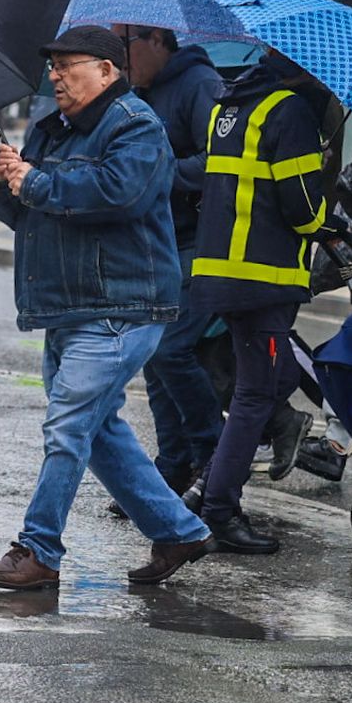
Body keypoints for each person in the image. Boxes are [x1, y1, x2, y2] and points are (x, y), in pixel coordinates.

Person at [0, 25, 212, 591]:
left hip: (119, 307)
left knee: (67, 427)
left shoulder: (136, 125)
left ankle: (39, 549)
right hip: (66, 306)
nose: (55, 76)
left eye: (67, 65)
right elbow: (26, 213)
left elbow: (117, 193)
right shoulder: (50, 129)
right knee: (97, 430)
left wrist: (35, 182)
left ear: (106, 70)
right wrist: (7, 181)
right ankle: (178, 531)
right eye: (52, 67)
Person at [190, 50, 329, 554]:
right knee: (255, 395)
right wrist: (325, 208)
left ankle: (203, 489)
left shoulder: (230, 107)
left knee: (272, 379)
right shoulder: (290, 111)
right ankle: (219, 508)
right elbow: (304, 210)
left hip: (222, 271)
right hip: (263, 277)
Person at [109, 25, 233, 498]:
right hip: (159, 243)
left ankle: (212, 458)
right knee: (155, 360)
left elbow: (221, 158)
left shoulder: (199, 84)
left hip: (199, 241)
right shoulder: (140, 91)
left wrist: (163, 173)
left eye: (126, 44)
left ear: (158, 39)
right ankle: (173, 465)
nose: (121, 56)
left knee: (170, 350)